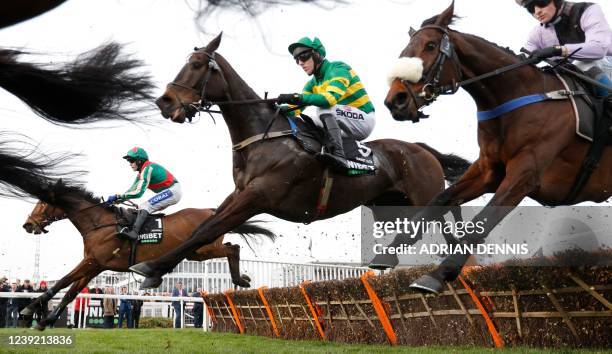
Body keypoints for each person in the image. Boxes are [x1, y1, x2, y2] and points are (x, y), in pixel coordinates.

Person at [277, 37, 376, 170]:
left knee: (324, 109)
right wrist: (277, 109)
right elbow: (297, 109)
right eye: (297, 60)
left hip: (364, 121)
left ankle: (340, 156)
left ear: (317, 55)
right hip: (343, 125)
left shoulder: (338, 68)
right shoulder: (312, 84)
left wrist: (296, 97)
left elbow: (329, 99)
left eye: (304, 56)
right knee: (306, 121)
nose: (300, 62)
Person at [518, 0, 612, 97]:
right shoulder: (536, 34)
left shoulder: (587, 10)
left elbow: (599, 49)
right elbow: (524, 60)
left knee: (583, 65)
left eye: (541, 3)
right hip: (572, 75)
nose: (537, 11)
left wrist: (556, 50)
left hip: (605, 62)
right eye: (530, 8)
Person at [106, 147, 181, 242]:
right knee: (141, 209)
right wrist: (117, 201)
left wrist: (118, 196)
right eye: (129, 161)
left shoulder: (148, 168)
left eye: (132, 160)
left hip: (173, 191)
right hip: (170, 192)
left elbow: (138, 192)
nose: (130, 164)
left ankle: (134, 233)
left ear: (140, 161)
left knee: (145, 206)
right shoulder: (141, 173)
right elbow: (132, 190)